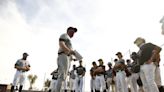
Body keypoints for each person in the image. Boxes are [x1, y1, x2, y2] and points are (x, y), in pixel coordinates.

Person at [53, 27, 78, 92]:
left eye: (74, 32)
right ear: (68, 30)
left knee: (64, 77)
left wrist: (74, 58)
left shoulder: (69, 39)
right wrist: (69, 50)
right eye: (72, 31)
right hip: (63, 55)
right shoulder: (65, 35)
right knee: (62, 75)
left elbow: (69, 52)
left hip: (67, 58)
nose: (73, 33)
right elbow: (61, 44)